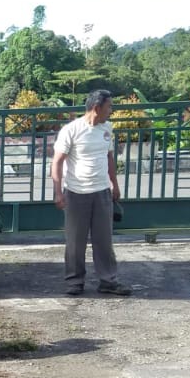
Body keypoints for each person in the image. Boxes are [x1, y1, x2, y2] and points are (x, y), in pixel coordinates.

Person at [52, 89, 132, 296]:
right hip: (76, 192)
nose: (111, 111)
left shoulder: (107, 129)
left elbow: (109, 158)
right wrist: (58, 192)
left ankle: (108, 280)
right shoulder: (71, 130)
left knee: (104, 240)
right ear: (97, 108)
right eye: (109, 107)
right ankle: (74, 282)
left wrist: (115, 184)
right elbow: (58, 161)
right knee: (75, 242)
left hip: (102, 192)